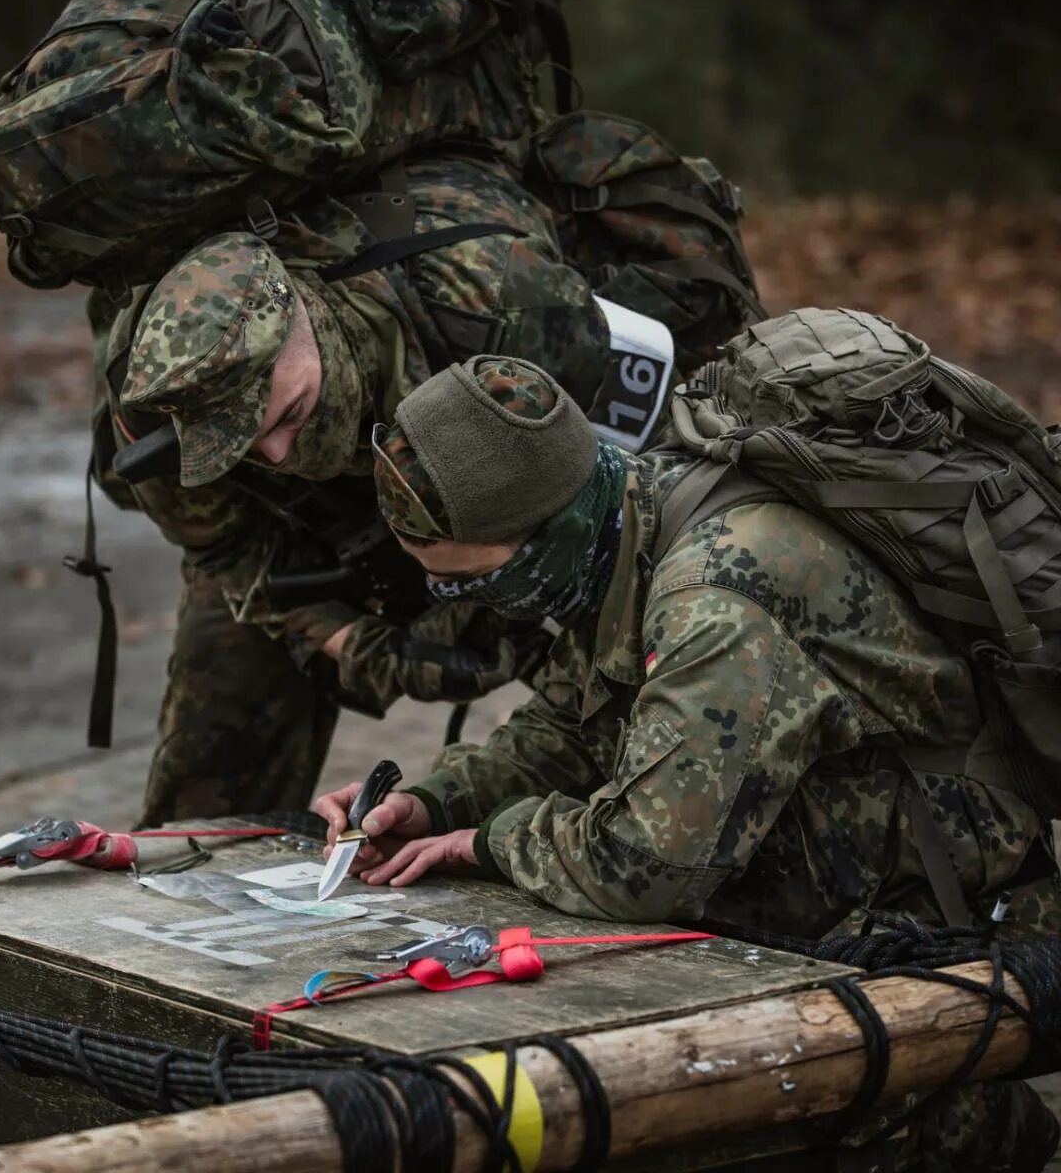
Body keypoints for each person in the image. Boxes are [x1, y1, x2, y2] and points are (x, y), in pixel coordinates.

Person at [316, 349, 1060, 1172]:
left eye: (471, 584)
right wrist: (435, 802)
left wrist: (485, 842)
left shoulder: (714, 594)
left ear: (541, 544)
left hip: (937, 922)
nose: (470, 607)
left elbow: (647, 864)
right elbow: (570, 722)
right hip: (843, 869)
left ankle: (976, 1124)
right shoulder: (633, 508)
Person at [107, 154, 614, 825]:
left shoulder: (506, 305)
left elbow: (612, 512)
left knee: (613, 702)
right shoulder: (157, 414)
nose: (278, 452)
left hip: (515, 497)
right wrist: (356, 644)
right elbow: (229, 555)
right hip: (318, 540)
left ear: (306, 314)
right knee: (209, 775)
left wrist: (498, 599)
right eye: (247, 446)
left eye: (288, 413)